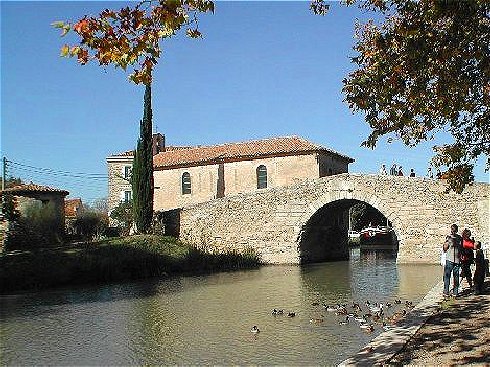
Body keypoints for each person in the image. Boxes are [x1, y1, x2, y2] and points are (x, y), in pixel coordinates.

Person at [443, 224, 463, 297]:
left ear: (451, 230)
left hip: (450, 259)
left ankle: (446, 292)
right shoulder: (460, 238)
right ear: (457, 230)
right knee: (456, 276)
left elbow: (445, 247)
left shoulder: (449, 238)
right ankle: (455, 292)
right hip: (457, 259)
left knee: (447, 276)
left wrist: (444, 246)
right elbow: (462, 248)